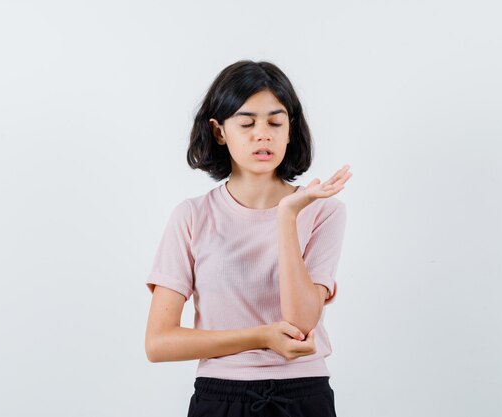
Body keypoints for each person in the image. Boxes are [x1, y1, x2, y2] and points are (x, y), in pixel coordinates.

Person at [144, 59, 352, 417]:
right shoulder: (192, 216)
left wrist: (287, 216)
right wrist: (260, 337)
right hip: (220, 397)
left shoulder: (323, 211)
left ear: (291, 130)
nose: (263, 134)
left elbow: (302, 322)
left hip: (304, 394)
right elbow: (159, 343)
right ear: (219, 131)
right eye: (246, 122)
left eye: (275, 121)